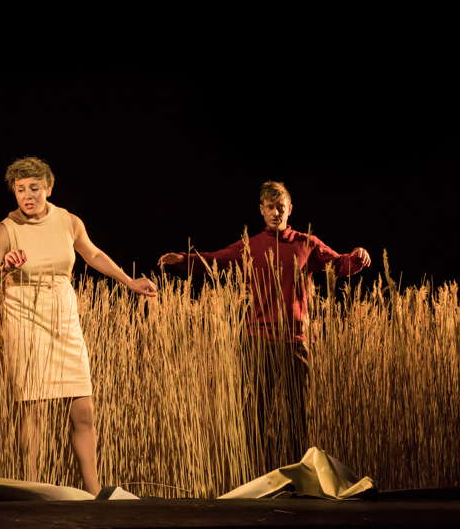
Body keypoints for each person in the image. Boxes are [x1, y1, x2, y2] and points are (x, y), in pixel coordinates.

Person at [158, 181, 371, 473]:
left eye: (281, 207)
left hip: (294, 341)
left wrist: (357, 257)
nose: (276, 212)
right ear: (261, 210)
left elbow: (338, 264)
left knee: (297, 415)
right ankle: (259, 474)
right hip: (257, 341)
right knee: (256, 415)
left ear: (290, 209)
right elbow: (216, 260)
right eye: (270, 207)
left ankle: (297, 474)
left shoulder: (305, 242)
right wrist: (185, 260)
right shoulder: (250, 246)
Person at [0, 157, 157, 495]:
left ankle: (92, 490)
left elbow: (93, 254)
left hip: (64, 317)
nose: (27, 196)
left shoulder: (67, 220)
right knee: (33, 410)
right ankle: (31, 488)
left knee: (83, 408)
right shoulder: (7, 229)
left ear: (48, 188)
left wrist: (128, 281)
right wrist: (4, 270)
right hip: (25, 319)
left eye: (33, 188)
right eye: (20, 190)